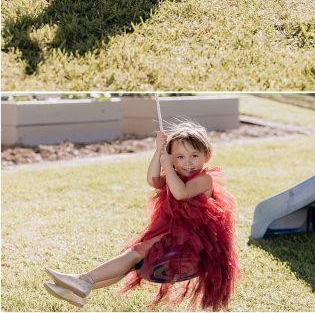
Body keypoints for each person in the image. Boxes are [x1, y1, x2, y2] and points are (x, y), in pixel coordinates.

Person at [43, 122, 238, 309]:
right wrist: (158, 151)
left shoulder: (205, 179)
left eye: (194, 155)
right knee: (131, 263)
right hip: (174, 235)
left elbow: (180, 192)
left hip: (190, 242)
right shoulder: (174, 175)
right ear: (172, 158)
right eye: (180, 157)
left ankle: (83, 279)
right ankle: (80, 289)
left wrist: (168, 165)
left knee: (134, 253)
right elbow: (153, 180)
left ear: (206, 155)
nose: (187, 162)